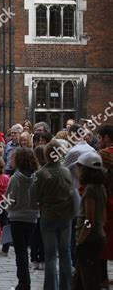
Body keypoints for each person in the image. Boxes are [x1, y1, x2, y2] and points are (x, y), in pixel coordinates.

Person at [33, 139, 75, 290]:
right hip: (65, 217)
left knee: (50, 254)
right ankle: (66, 286)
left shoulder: (41, 173)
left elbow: (35, 197)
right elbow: (72, 195)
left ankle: (51, 287)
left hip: (48, 216)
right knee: (65, 252)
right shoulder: (66, 171)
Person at [73, 152, 107, 290]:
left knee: (89, 281)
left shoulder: (90, 191)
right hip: (97, 237)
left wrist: (80, 240)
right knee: (79, 280)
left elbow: (89, 220)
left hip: (89, 240)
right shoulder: (101, 188)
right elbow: (103, 216)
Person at [6, 148, 39, 290]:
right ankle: (25, 281)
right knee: (26, 249)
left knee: (20, 252)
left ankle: (24, 282)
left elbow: (9, 200)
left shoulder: (16, 178)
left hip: (17, 217)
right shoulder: (36, 177)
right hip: (32, 218)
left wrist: (9, 210)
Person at [97, 124, 113, 288]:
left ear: (107, 137)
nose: (99, 141)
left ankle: (103, 278)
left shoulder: (103, 155)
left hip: (106, 203)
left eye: (100, 137)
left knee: (102, 241)